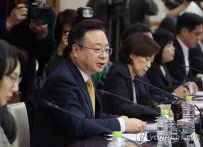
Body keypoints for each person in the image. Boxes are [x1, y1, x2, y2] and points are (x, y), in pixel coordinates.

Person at [32, 19, 146, 147]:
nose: (103, 56)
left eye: (107, 50)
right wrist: (122, 124)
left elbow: (94, 117)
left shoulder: (83, 76)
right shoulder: (63, 80)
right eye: (97, 49)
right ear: (75, 50)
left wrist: (121, 119)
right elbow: (78, 126)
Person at [103, 33, 162, 119]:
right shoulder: (119, 73)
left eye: (151, 62)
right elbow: (122, 108)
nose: (149, 65)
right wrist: (157, 110)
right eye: (147, 59)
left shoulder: (136, 75)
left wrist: (159, 106)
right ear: (133, 55)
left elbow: (146, 100)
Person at [147, 28, 190, 103]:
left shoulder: (163, 65)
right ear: (159, 47)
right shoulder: (151, 68)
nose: (173, 49)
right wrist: (174, 94)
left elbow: (174, 83)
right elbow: (161, 91)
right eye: (169, 45)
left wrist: (186, 86)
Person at [166, 12, 203, 91]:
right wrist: (199, 80)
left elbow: (188, 77)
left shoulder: (189, 47)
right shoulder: (173, 50)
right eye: (197, 34)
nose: (199, 38)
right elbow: (179, 81)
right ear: (184, 31)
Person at [46, 9, 77, 75]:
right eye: (66, 32)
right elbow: (51, 74)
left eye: (73, 31)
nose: (70, 35)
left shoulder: (84, 44)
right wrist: (60, 50)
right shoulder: (54, 44)